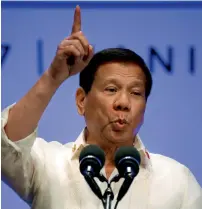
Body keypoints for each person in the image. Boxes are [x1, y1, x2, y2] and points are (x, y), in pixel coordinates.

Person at [1, 5, 201, 209]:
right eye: (111, 89)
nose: (123, 103)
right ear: (81, 101)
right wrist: (53, 76)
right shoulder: (48, 165)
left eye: (135, 93)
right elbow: (5, 145)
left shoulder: (177, 182)